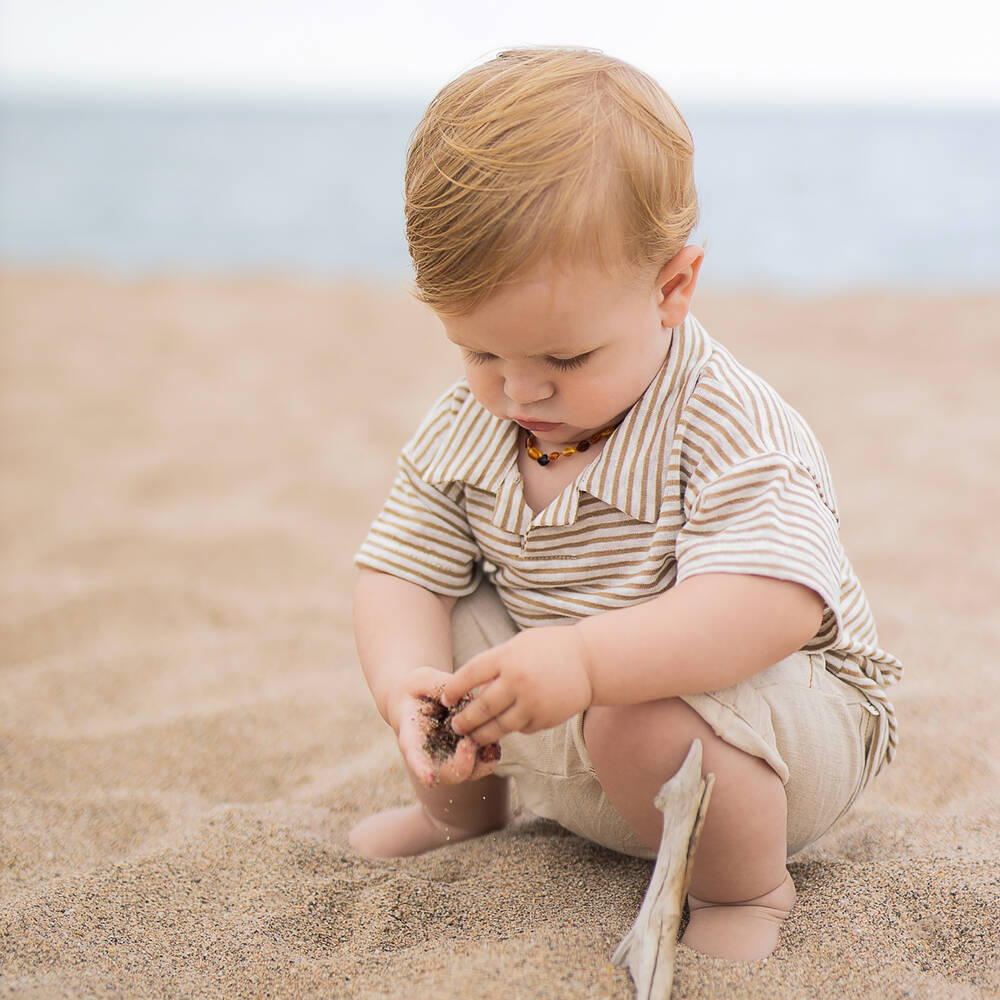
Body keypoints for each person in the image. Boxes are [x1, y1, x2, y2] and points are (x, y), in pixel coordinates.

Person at [349, 47, 902, 962]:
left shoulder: (727, 418)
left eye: (564, 360)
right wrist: (401, 678)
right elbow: (400, 565)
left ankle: (746, 889)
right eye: (479, 354)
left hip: (772, 739)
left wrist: (590, 660)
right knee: (438, 631)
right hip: (580, 720)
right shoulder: (475, 420)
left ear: (672, 288)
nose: (520, 393)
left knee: (635, 712)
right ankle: (461, 809)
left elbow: (773, 603)